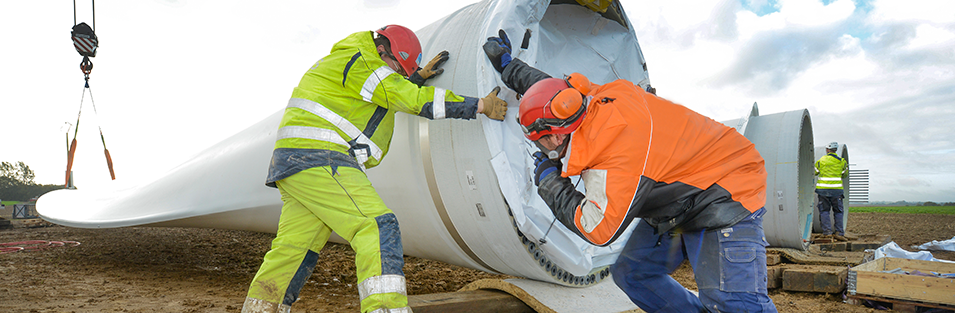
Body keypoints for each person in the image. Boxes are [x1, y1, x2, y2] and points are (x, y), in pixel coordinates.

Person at [483, 30, 777, 312]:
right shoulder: (591, 100)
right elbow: (551, 94)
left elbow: (598, 230)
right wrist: (508, 67)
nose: (542, 148)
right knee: (634, 273)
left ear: (557, 136)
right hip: (682, 192)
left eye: (539, 141)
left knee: (734, 305)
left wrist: (550, 183)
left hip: (726, 189)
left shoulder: (616, 159)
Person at [241, 25, 508, 313]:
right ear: (383, 51)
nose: (399, 75)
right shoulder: (365, 60)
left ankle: (260, 309)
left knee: (294, 249)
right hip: (321, 155)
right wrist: (480, 105)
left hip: (296, 161)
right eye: (398, 69)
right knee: (377, 226)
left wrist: (413, 77)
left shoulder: (357, 60)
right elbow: (409, 99)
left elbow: (377, 99)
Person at [815, 142, 849, 242]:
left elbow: (815, 171)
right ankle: (839, 233)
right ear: (836, 150)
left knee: (824, 211)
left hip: (823, 191)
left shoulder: (821, 160)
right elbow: (844, 174)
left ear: (827, 150)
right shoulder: (842, 161)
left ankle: (827, 233)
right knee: (838, 211)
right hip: (836, 191)